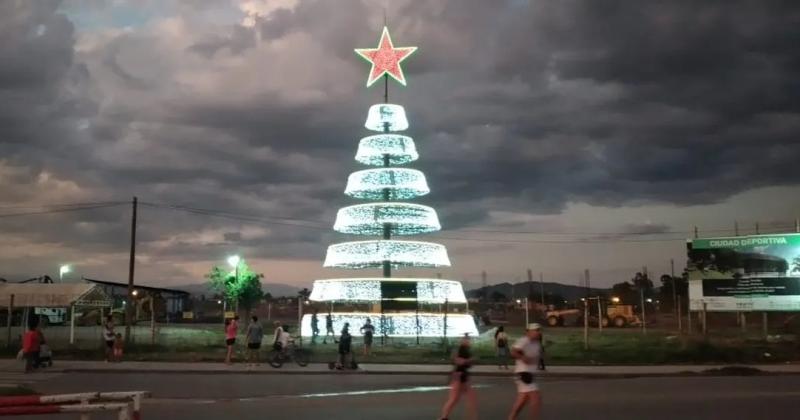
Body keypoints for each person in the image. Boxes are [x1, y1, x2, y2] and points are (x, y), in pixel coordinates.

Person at [508, 323, 543, 420]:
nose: (538, 332)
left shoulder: (537, 343)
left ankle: (511, 418)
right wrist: (523, 357)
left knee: (522, 401)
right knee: (536, 399)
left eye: (539, 330)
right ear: (529, 332)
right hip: (523, 373)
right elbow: (513, 351)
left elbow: (536, 356)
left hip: (529, 374)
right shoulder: (524, 340)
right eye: (535, 330)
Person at [438, 334, 477, 420]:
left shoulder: (467, 350)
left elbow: (468, 363)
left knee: (471, 398)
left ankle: (472, 417)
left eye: (469, 339)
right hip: (458, 376)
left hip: (463, 376)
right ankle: (443, 417)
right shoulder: (460, 349)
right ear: (463, 341)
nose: (469, 341)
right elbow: (458, 361)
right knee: (454, 399)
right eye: (467, 339)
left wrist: (469, 361)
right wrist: (469, 360)